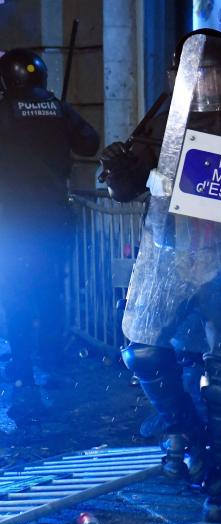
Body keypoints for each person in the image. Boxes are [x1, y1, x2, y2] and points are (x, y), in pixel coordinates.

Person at [100, 29, 221, 522]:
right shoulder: (166, 120)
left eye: (218, 71)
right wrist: (120, 170)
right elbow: (129, 187)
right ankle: (195, 448)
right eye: (202, 72)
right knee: (142, 349)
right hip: (168, 251)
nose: (210, 80)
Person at [0, 48, 99, 424]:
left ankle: (23, 374)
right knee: (51, 294)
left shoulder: (5, 109)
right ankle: (54, 367)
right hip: (54, 221)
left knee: (16, 299)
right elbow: (90, 142)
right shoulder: (58, 107)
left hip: (13, 222)